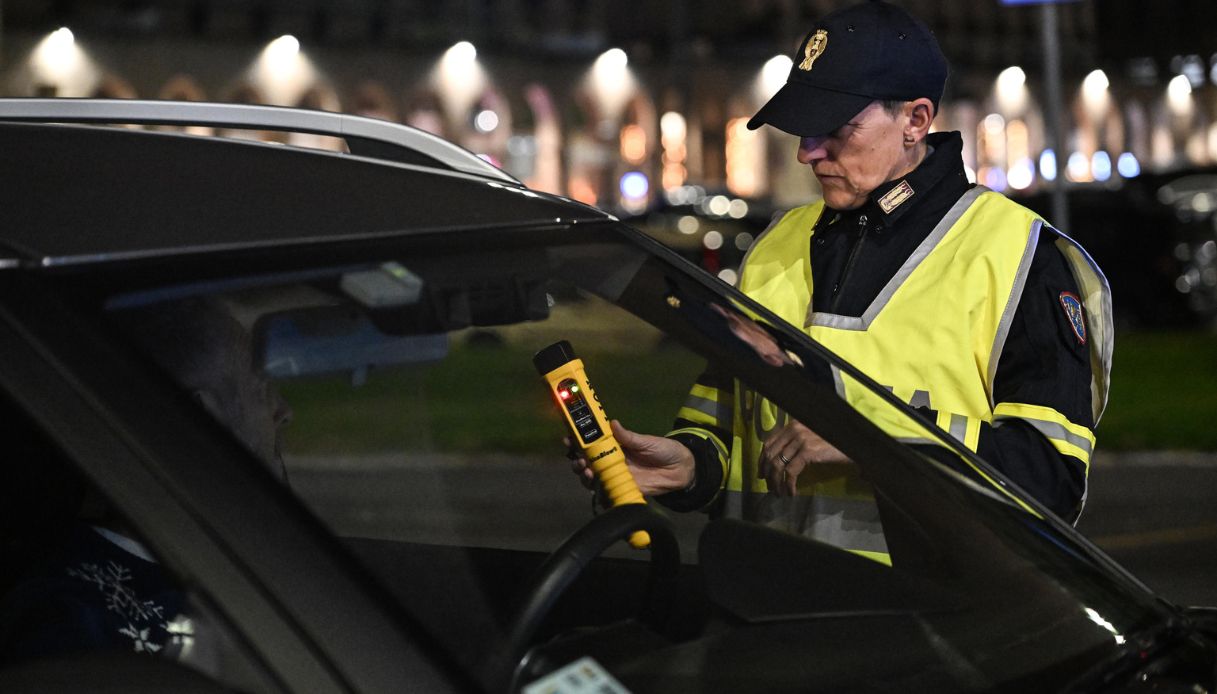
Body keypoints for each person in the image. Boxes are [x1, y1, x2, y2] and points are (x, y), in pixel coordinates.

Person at [572, 0, 1111, 563]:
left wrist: (868, 444)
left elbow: (1050, 478)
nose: (808, 151)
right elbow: (733, 420)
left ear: (916, 120)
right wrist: (690, 464)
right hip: (771, 620)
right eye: (805, 129)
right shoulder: (776, 245)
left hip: (941, 633)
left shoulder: (1023, 256)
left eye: (836, 129)